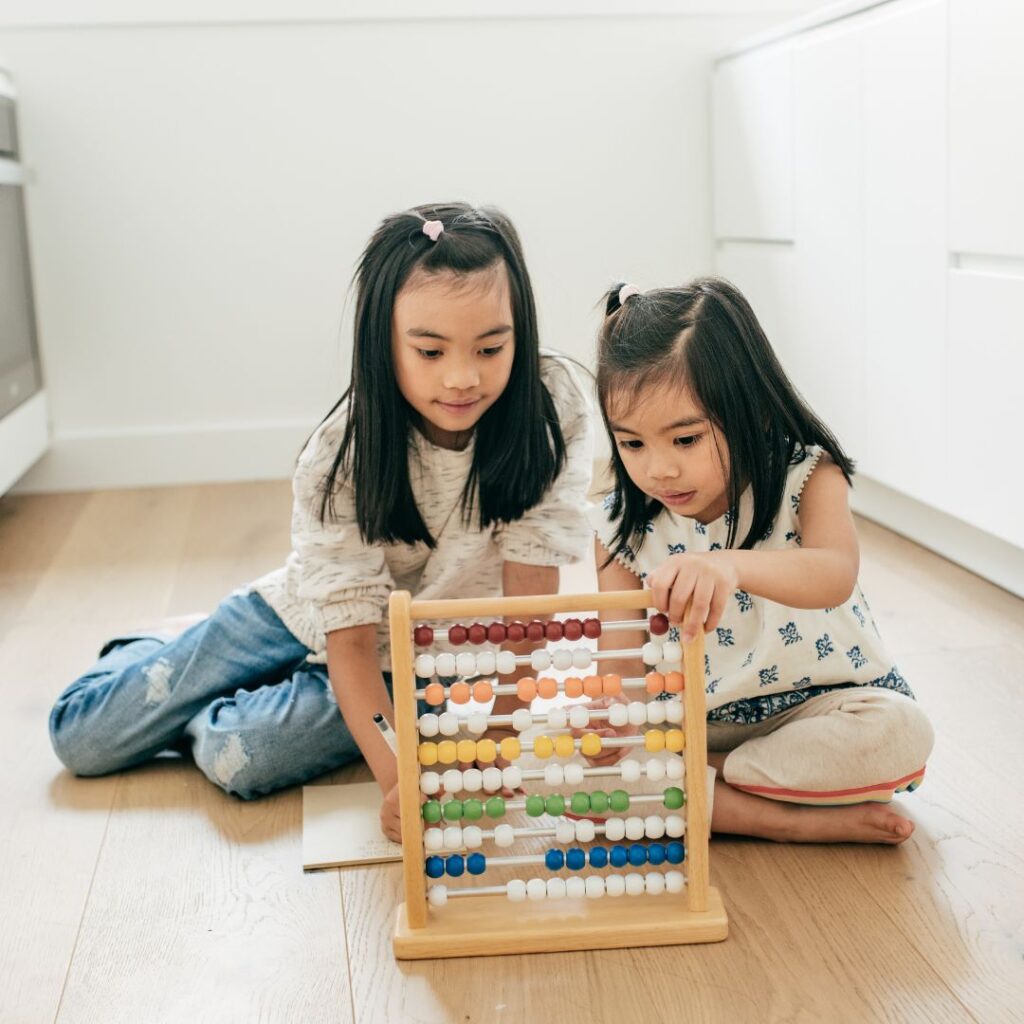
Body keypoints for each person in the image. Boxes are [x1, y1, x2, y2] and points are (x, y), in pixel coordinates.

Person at [49, 202, 593, 841]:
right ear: (382, 342)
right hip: (316, 615)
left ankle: (212, 694)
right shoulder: (342, 455)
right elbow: (354, 644)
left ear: (519, 333)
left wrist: (495, 751)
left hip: (430, 661)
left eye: (491, 347)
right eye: (429, 350)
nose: (462, 376)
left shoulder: (550, 409)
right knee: (82, 737)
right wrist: (400, 780)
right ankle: (159, 648)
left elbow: (525, 618)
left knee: (242, 754)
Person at [589, 277, 933, 844]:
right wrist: (611, 717)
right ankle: (785, 818)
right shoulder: (619, 526)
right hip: (692, 725)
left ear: (745, 408)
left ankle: (709, 792)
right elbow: (620, 660)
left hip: (818, 712)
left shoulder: (807, 476)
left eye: (685, 440)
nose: (658, 470)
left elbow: (833, 574)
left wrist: (731, 565)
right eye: (632, 445)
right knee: (577, 768)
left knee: (900, 731)